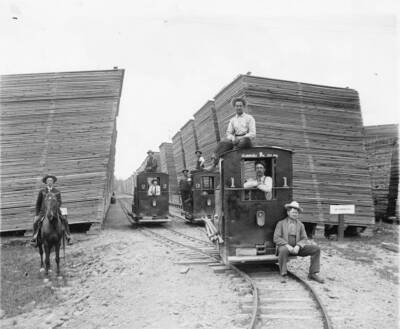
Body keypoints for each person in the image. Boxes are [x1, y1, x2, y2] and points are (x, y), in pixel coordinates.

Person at [273, 201, 324, 283]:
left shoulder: (301, 225)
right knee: (283, 250)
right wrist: (287, 246)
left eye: (296, 213)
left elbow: (304, 238)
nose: (295, 214)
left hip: (297, 248)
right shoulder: (281, 223)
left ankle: (313, 273)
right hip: (285, 247)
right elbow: (276, 238)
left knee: (316, 249)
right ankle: (283, 273)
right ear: (288, 213)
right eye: (293, 212)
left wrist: (298, 246)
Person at [31, 174, 71, 247]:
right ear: (46, 182)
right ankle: (34, 238)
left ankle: (68, 236)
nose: (50, 182)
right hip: (43, 211)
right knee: (36, 221)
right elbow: (38, 203)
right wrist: (37, 213)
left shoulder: (57, 191)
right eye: (48, 181)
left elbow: (59, 201)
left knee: (65, 220)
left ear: (53, 182)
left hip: (55, 211)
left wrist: (55, 207)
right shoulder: (42, 191)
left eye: (51, 181)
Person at [213, 97, 256, 166]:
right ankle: (214, 162)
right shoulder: (233, 120)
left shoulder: (249, 118)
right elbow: (228, 133)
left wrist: (241, 138)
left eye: (240, 106)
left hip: (245, 139)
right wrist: (233, 138)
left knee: (245, 140)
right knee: (223, 142)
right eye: (237, 106)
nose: (238, 108)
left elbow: (253, 133)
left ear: (243, 106)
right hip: (235, 140)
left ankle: (233, 151)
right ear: (234, 107)